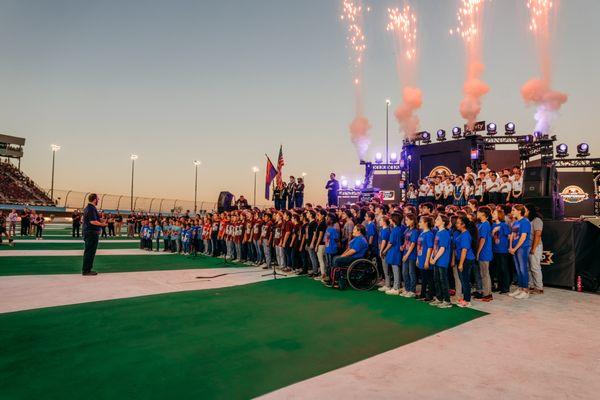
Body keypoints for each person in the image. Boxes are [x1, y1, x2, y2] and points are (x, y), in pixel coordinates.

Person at [509, 204, 532, 299]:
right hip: (514, 248)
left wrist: (515, 248)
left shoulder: (525, 222)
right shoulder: (516, 222)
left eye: (513, 210)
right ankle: (520, 287)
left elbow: (523, 237)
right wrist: (510, 247)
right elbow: (512, 234)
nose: (512, 212)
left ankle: (525, 290)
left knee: (523, 269)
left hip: (522, 248)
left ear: (519, 211)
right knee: (518, 269)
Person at [454, 216, 477, 308]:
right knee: (463, 279)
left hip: (466, 259)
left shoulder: (465, 235)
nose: (456, 224)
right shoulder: (462, 233)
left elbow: (464, 250)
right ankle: (465, 298)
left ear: (463, 225)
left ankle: (467, 300)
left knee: (465, 280)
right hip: (463, 259)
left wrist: (460, 264)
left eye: (458, 222)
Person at [82, 193, 107, 276]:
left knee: (89, 251)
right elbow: (92, 221)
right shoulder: (91, 208)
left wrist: (101, 219)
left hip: (89, 233)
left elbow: (94, 219)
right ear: (94, 199)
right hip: (91, 233)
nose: (98, 201)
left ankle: (87, 269)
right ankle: (86, 270)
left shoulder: (88, 208)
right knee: (90, 252)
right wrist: (102, 224)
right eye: (98, 199)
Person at [525, 203, 544, 295]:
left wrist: (533, 248)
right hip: (527, 246)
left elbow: (538, 234)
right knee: (528, 268)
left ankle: (539, 288)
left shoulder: (537, 220)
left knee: (535, 267)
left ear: (529, 211)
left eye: (524, 209)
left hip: (535, 246)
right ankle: (531, 285)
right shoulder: (527, 220)